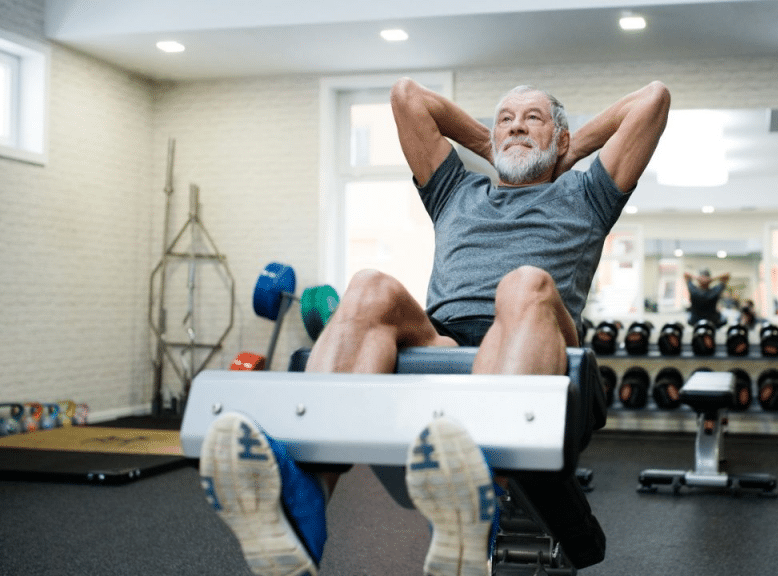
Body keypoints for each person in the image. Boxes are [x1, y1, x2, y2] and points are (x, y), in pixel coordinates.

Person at [199, 77, 670, 576]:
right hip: (443, 337)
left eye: (533, 118)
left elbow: (652, 99)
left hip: (538, 332)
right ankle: (304, 509)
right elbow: (408, 97)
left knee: (523, 283)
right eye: (504, 119)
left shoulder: (586, 194)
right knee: (368, 286)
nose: (515, 126)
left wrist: (567, 151)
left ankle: (479, 498)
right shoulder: (455, 191)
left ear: (560, 135)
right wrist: (491, 142)